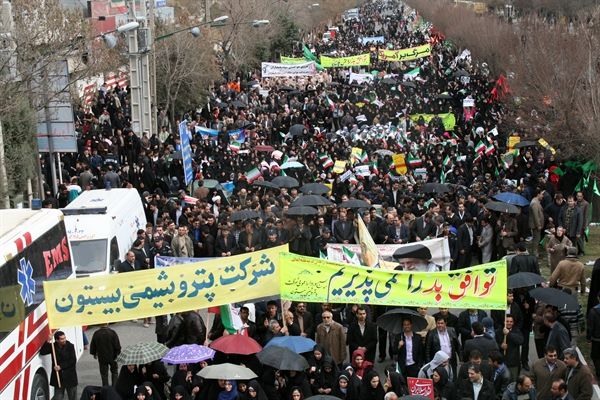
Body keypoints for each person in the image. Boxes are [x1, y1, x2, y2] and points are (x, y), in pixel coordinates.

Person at [40, 331, 78, 400]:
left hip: (70, 377)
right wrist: (48, 340)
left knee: (73, 397)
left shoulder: (70, 346)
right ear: (57, 340)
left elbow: (72, 361)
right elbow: (43, 352)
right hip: (58, 378)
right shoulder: (53, 346)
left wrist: (61, 366)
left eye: (64, 338)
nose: (64, 340)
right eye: (62, 339)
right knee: (58, 397)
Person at [496, 315, 524, 381]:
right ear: (504, 322)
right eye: (507, 321)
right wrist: (500, 345)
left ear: (513, 323)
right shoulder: (498, 331)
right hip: (501, 362)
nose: (509, 323)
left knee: (514, 380)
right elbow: (494, 344)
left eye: (511, 321)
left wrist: (509, 333)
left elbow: (521, 341)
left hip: (513, 362)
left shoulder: (517, 331)